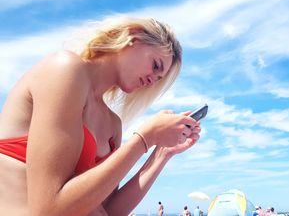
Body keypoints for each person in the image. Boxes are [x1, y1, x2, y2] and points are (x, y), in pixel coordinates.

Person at [0, 17, 202, 216]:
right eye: (156, 65)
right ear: (134, 37)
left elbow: (109, 210)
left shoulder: (112, 123)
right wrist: (144, 139)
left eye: (158, 80)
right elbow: (48, 210)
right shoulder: (64, 68)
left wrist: (161, 154)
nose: (152, 80)